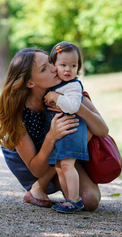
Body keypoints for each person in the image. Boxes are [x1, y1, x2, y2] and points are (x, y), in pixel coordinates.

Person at [0, 48, 108, 212]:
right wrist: (52, 136)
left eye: (51, 62)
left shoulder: (68, 88)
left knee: (89, 200)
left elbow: (102, 130)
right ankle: (38, 187)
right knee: (75, 138)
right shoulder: (17, 114)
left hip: (64, 155)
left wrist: (76, 107)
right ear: (30, 82)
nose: (54, 68)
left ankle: (61, 178)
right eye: (44, 68)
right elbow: (36, 169)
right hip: (35, 165)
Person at [43, 41, 88, 213]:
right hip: (61, 133)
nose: (68, 70)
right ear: (54, 66)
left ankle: (74, 199)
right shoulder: (56, 84)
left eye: (73, 65)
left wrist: (55, 96)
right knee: (59, 167)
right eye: (63, 65)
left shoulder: (73, 86)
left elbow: (73, 106)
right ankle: (69, 199)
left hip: (71, 132)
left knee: (68, 165)